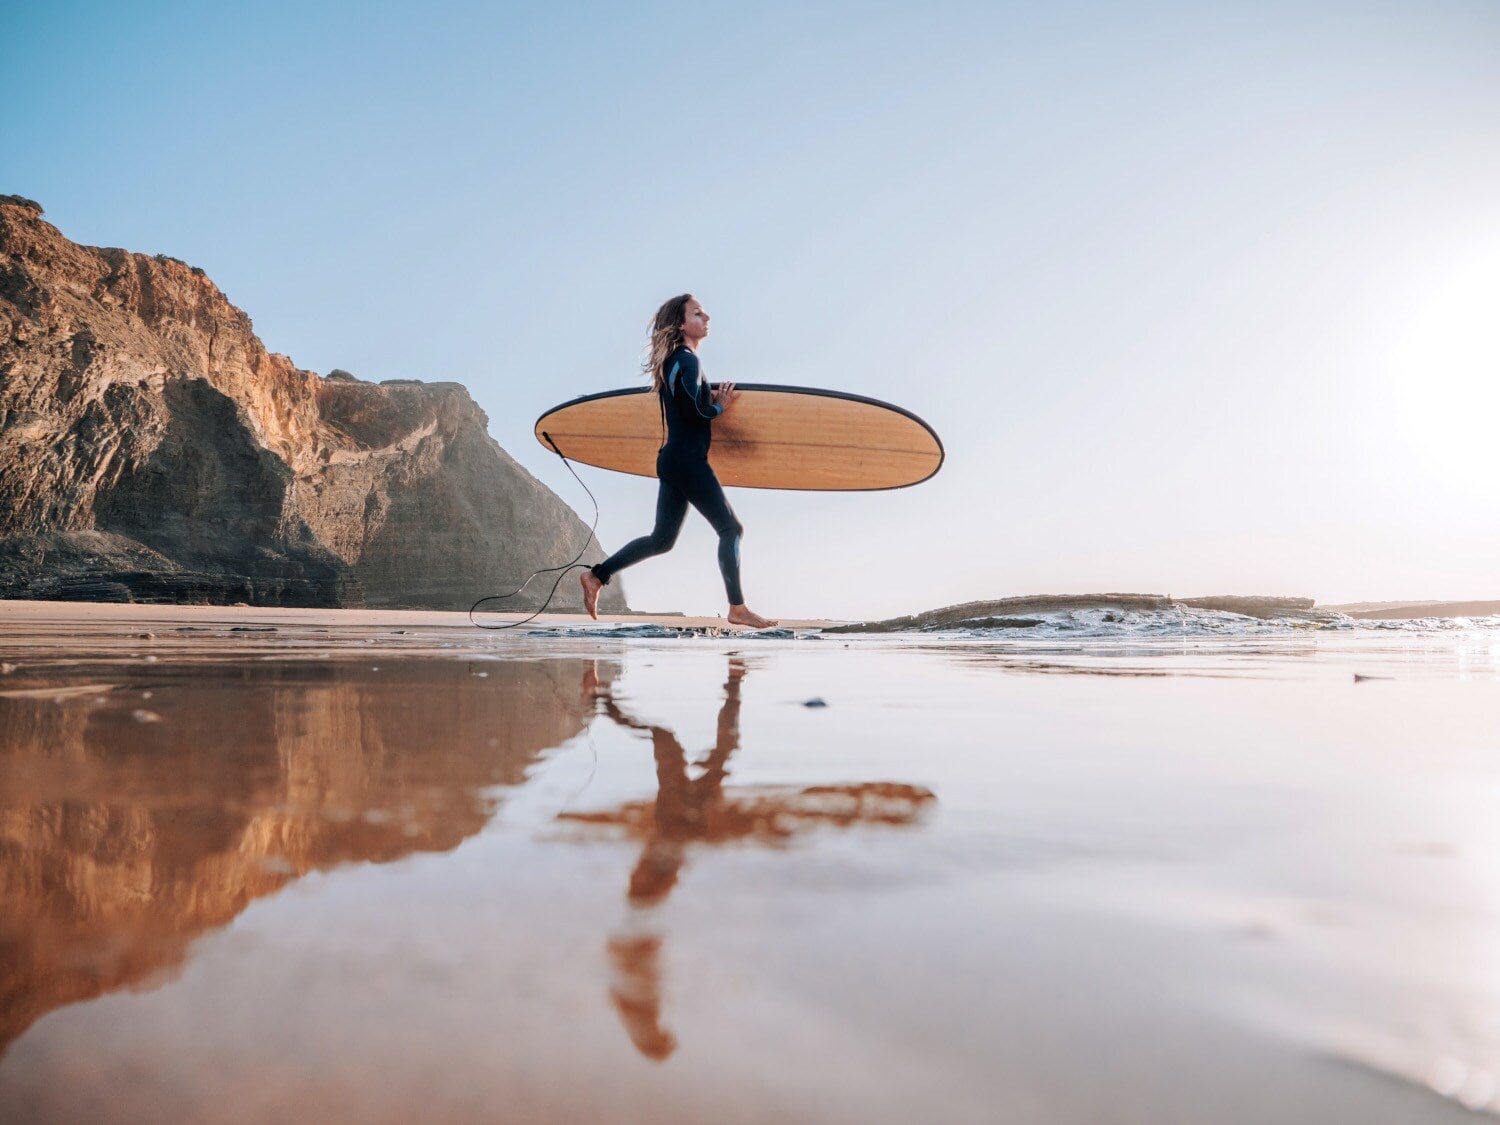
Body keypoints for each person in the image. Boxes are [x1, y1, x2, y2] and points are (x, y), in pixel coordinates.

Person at [580, 294, 777, 628]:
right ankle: (738, 608)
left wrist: (706, 396)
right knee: (731, 529)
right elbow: (694, 411)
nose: (707, 316)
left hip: (672, 459)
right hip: (686, 460)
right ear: (682, 324)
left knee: (662, 540)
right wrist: (720, 405)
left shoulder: (674, 361)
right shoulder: (686, 360)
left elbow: (686, 404)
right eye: (698, 313)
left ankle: (597, 576)